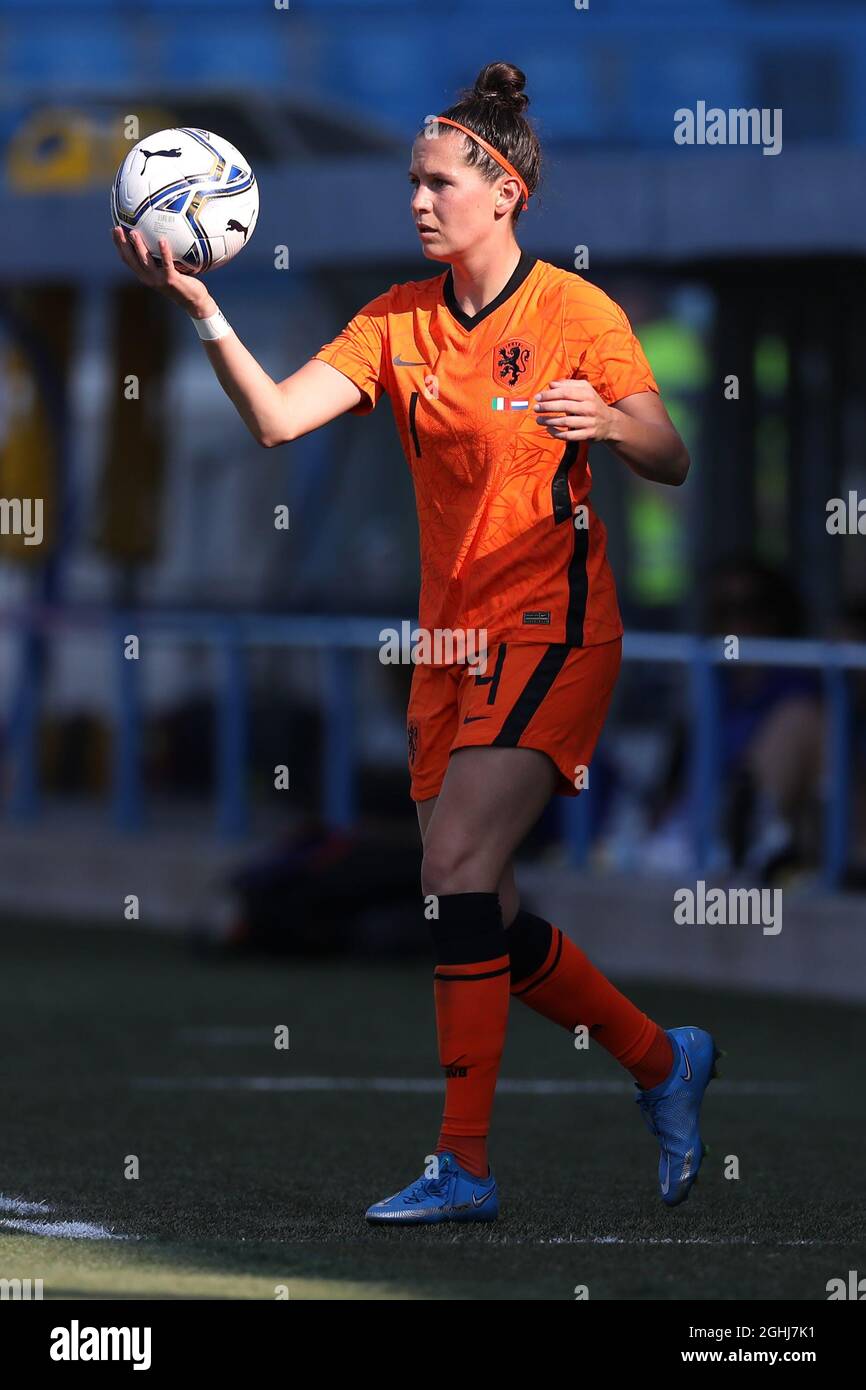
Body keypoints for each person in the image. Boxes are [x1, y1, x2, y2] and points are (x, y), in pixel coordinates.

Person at [112, 60, 722, 1224]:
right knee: (471, 905)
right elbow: (280, 420)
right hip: (449, 650)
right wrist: (205, 313)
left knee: (448, 871)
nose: (418, 200)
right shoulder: (395, 321)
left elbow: (667, 450)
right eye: (411, 182)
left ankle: (464, 1166)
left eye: (438, 181)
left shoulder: (575, 314)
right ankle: (659, 1059)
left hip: (556, 626)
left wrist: (607, 417)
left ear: (504, 192)